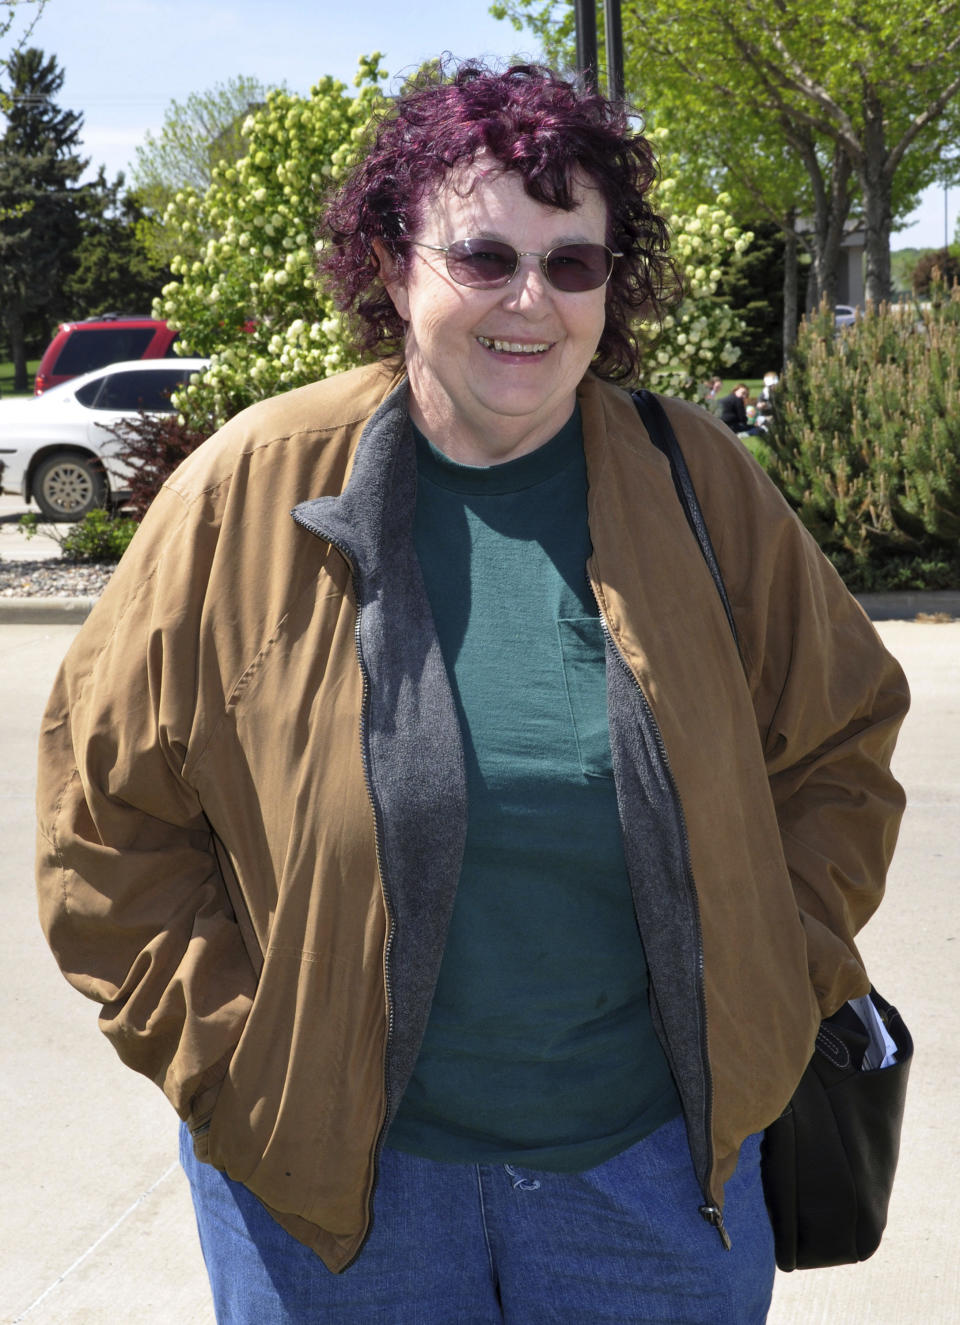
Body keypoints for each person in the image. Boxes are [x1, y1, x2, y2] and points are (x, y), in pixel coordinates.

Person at [35, 63, 909, 1323]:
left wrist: (779, 969)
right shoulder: (244, 493)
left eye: (572, 264)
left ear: (615, 286)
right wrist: (242, 1064)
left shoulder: (701, 485)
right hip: (334, 1204)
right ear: (395, 267)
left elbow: (843, 743)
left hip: (653, 1182)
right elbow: (103, 821)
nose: (529, 302)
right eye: (484, 255)